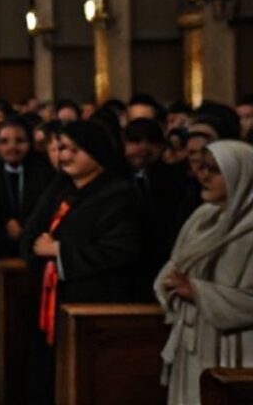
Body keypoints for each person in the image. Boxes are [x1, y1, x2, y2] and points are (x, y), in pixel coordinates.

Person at [20, 120, 140, 404]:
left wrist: (61, 251)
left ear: (97, 152)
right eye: (61, 148)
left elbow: (122, 249)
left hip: (93, 304)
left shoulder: (118, 193)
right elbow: (31, 237)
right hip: (50, 299)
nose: (65, 156)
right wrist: (40, 254)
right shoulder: (59, 188)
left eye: (75, 149)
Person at [155, 140, 253, 405]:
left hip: (237, 348)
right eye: (202, 167)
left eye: (215, 170)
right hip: (194, 340)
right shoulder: (202, 217)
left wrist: (199, 292)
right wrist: (170, 284)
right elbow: (174, 267)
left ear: (240, 174)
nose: (204, 175)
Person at [123, 118, 186, 300]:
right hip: (127, 268)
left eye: (152, 142)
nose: (144, 148)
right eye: (136, 142)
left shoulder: (175, 179)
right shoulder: (114, 179)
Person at [0, 117, 56, 257]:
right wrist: (5, 221)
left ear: (30, 143)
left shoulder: (44, 171)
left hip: (35, 241)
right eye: (4, 142)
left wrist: (26, 226)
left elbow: (46, 207)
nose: (12, 147)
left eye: (20, 141)